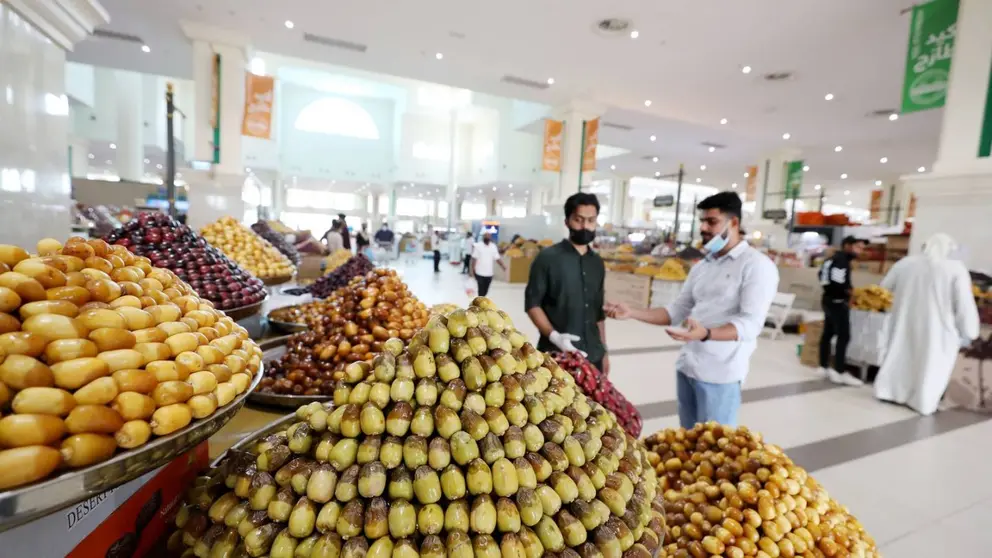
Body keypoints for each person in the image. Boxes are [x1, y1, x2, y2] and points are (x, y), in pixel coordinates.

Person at [606, 192, 779, 427]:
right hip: (688, 367)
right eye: (702, 222)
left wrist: (706, 334)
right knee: (688, 445)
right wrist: (633, 312)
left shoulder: (756, 266)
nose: (704, 228)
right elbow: (676, 310)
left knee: (715, 451)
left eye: (712, 222)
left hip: (721, 375)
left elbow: (750, 324)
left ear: (734, 223)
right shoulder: (703, 266)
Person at [874, 233, 980, 415]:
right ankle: (922, 402)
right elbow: (964, 304)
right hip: (938, 330)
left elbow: (883, 288)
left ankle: (889, 391)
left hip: (904, 323)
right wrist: (970, 331)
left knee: (900, 356)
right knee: (931, 364)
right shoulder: (955, 269)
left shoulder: (905, 264)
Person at [524, 192, 610, 375]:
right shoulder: (547, 259)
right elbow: (533, 304)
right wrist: (554, 336)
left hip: (593, 356)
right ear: (567, 221)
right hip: (557, 356)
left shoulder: (597, 263)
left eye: (591, 220)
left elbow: (598, 313)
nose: (585, 226)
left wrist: (604, 351)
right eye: (579, 220)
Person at [818, 236, 868, 386]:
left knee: (827, 333)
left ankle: (823, 366)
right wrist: (849, 293)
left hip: (827, 299)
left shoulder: (831, 259)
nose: (860, 251)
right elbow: (838, 283)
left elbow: (821, 276)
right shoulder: (841, 261)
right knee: (843, 336)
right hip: (837, 302)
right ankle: (839, 370)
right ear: (847, 245)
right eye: (858, 247)